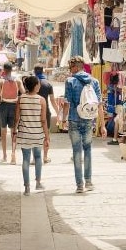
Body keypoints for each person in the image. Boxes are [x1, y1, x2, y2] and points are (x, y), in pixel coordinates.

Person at [61, 55, 106, 193]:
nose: (70, 70)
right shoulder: (94, 81)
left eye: (70, 67)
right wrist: (102, 125)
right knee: (87, 150)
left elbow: (67, 103)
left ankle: (79, 185)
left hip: (74, 119)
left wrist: (63, 119)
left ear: (76, 67)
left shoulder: (70, 81)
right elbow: (99, 105)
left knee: (76, 152)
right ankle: (89, 181)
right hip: (88, 120)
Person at [13, 76, 49, 195]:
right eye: (38, 84)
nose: (39, 86)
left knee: (26, 159)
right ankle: (38, 183)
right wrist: (47, 136)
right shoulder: (41, 100)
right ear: (35, 86)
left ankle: (27, 187)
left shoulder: (20, 99)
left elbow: (17, 117)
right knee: (38, 157)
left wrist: (14, 131)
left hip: (24, 134)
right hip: (37, 133)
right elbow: (43, 120)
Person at [0, 62, 24, 164]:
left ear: (4, 70)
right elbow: (23, 92)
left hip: (4, 106)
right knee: (14, 131)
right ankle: (13, 154)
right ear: (12, 69)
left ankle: (4, 155)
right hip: (14, 106)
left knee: (3, 131)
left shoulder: (0, 81)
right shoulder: (17, 80)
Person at [34, 65, 58, 164]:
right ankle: (45, 156)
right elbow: (52, 100)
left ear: (34, 72)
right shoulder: (48, 84)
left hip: (33, 111)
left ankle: (35, 158)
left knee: (34, 135)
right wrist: (58, 112)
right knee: (46, 134)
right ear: (43, 71)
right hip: (45, 112)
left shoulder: (31, 82)